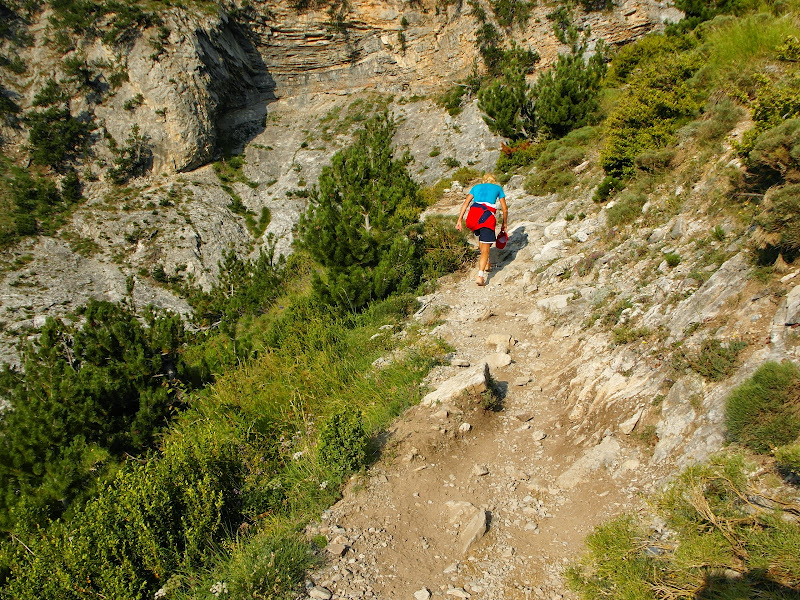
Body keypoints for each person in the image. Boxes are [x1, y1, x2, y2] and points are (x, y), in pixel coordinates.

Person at [456, 173, 508, 286]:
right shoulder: (498, 188)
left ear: (483, 180)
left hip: (473, 218)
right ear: (494, 180)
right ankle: (480, 276)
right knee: (485, 249)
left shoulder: (476, 187)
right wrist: (504, 224)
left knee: (483, 242)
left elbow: (465, 203)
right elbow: (504, 209)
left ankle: (487, 264)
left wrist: (459, 220)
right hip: (486, 218)